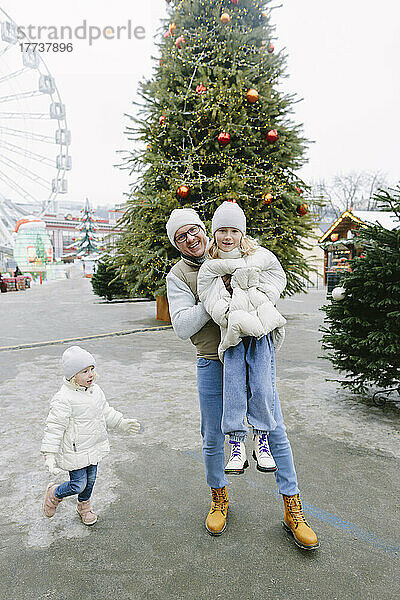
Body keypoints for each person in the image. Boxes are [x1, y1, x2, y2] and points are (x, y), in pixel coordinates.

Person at [166, 207, 319, 549]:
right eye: (181, 236)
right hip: (211, 361)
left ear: (207, 230)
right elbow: (181, 326)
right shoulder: (179, 275)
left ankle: (292, 507)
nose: (191, 239)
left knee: (274, 428)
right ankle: (219, 498)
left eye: (194, 231)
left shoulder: (239, 251)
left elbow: (270, 281)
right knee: (212, 435)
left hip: (253, 356)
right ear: (176, 244)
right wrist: (214, 293)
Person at [197, 201, 286, 476]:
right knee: (233, 388)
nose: (227, 237)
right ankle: (236, 444)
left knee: (262, 386)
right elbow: (207, 294)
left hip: (260, 334)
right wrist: (228, 313)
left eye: (233, 231)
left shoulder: (259, 256)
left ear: (242, 233)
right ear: (213, 234)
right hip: (234, 334)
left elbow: (277, 277)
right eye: (221, 230)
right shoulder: (212, 266)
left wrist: (263, 299)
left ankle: (261, 439)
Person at [41, 345, 141, 525]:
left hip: (93, 445)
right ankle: (54, 493)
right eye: (84, 371)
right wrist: (49, 454)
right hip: (75, 451)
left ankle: (84, 507)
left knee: (91, 481)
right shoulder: (64, 398)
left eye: (92, 369)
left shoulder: (96, 391)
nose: (91, 375)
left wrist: (121, 422)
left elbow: (106, 412)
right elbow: (54, 427)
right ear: (72, 376)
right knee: (78, 484)